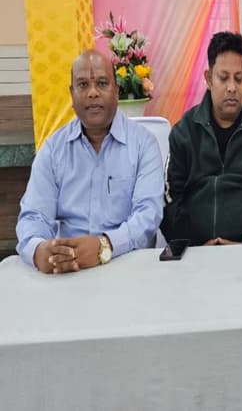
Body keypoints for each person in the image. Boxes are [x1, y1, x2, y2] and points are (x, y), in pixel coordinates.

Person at [16, 50, 164, 273]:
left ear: (116, 91)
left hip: (129, 267)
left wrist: (105, 246)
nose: (93, 93)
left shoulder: (144, 144)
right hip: (69, 269)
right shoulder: (53, 150)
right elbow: (34, 215)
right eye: (83, 85)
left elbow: (148, 216)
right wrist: (38, 250)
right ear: (72, 93)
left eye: (102, 83)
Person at [161, 32, 242, 245]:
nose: (232, 87)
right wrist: (194, 245)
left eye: (238, 79)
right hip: (194, 253)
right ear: (208, 79)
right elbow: (169, 197)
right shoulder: (185, 131)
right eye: (223, 78)